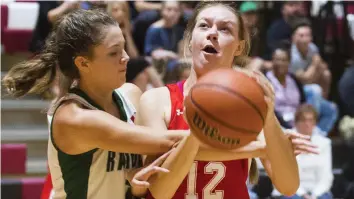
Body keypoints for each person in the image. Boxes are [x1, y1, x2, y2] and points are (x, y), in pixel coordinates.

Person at [138, 2, 318, 199]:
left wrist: (268, 117)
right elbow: (158, 191)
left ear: (239, 46)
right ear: (190, 39)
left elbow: (288, 186)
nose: (213, 33)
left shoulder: (249, 106)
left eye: (225, 29)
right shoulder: (156, 100)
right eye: (204, 25)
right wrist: (201, 126)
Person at [2, 9, 185, 199]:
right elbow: (168, 142)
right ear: (83, 63)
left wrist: (133, 181)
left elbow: (140, 169)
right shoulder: (73, 117)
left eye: (123, 47)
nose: (126, 57)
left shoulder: (131, 95)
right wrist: (212, 131)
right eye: (114, 52)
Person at [266, 42, 338, 134]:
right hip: (279, 125)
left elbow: (303, 102)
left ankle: (317, 133)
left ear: (289, 62)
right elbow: (270, 111)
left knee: (331, 108)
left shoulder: (293, 79)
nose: (280, 63)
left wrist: (301, 122)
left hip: (298, 122)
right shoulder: (266, 80)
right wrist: (289, 127)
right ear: (272, 61)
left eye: (284, 60)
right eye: (277, 60)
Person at [274, 104, 334, 199]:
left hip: (317, 192)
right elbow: (286, 177)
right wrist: (302, 194)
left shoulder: (324, 143)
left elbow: (326, 177)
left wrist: (314, 195)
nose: (307, 124)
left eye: (310, 120)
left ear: (315, 123)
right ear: (296, 122)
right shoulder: (286, 140)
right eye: (303, 120)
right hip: (291, 191)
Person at [107, 1, 163, 92]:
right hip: (113, 66)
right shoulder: (107, 31)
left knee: (142, 76)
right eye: (116, 10)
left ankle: (139, 104)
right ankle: (163, 91)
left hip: (125, 63)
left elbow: (134, 55)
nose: (120, 13)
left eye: (123, 10)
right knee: (143, 62)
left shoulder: (128, 28)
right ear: (110, 12)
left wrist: (127, 33)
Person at [289, 20, 331, 98]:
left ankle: (323, 99)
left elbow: (323, 66)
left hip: (311, 77)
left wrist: (318, 66)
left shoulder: (313, 48)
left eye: (307, 35)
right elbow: (305, 80)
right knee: (315, 89)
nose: (305, 39)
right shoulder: (292, 55)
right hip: (296, 87)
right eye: (301, 35)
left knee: (326, 74)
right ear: (294, 38)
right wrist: (315, 65)